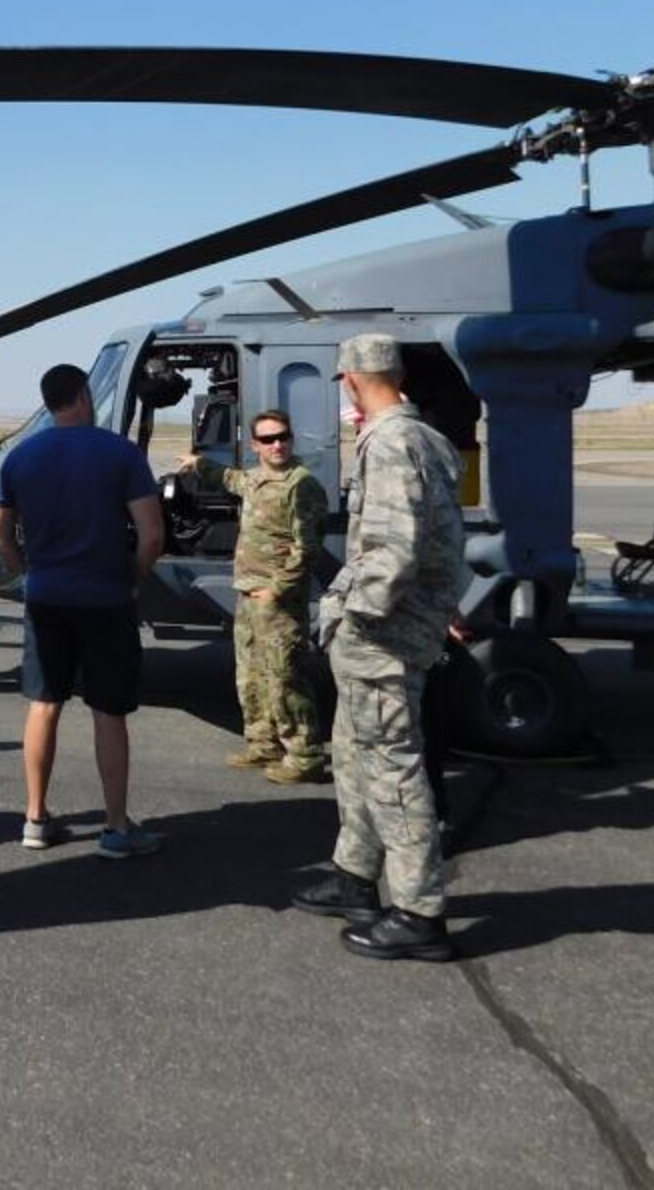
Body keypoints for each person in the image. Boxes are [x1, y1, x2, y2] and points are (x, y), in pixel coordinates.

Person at [294, 333, 468, 961]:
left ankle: (419, 911)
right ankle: (355, 877)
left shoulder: (393, 443)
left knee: (392, 769)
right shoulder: (420, 437)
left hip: (384, 638)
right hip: (394, 629)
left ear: (350, 380)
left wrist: (355, 621)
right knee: (353, 754)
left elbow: (393, 551)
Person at [0, 363, 166, 859]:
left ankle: (36, 818)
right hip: (106, 599)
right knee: (108, 712)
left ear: (47, 403)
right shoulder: (120, 454)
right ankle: (115, 828)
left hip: (46, 599)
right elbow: (151, 535)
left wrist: (25, 570)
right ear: (85, 396)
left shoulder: (21, 457)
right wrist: (134, 576)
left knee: (44, 705)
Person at [181, 408, 331, 783]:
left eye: (282, 437)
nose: (277, 444)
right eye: (268, 439)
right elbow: (230, 479)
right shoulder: (258, 480)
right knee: (250, 674)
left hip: (277, 598)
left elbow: (307, 547)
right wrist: (199, 464)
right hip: (249, 593)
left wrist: (277, 589)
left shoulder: (302, 484)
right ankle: (263, 742)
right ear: (255, 446)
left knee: (284, 675)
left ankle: (305, 755)